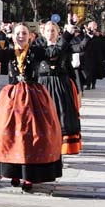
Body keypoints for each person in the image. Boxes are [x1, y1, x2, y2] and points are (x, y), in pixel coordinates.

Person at [0, 23, 64, 190]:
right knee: (9, 136)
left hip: (33, 98)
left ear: (30, 36)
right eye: (18, 33)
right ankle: (14, 172)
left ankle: (29, 177)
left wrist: (69, 32)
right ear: (13, 36)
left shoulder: (36, 51)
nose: (21, 36)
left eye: (24, 33)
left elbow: (54, 53)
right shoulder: (9, 52)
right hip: (11, 99)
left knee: (31, 136)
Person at [40, 21, 83, 155]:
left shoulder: (66, 45)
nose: (50, 33)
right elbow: (52, 53)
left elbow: (80, 48)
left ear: (58, 32)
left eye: (53, 30)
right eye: (48, 31)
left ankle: (63, 145)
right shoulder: (38, 46)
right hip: (44, 85)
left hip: (61, 84)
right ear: (43, 33)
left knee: (63, 114)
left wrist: (77, 88)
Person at [80, 21, 105, 90]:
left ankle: (93, 84)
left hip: (96, 56)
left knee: (95, 71)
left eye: (95, 27)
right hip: (87, 56)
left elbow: (102, 45)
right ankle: (88, 84)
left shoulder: (98, 36)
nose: (94, 28)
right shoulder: (86, 35)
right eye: (92, 26)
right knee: (88, 71)